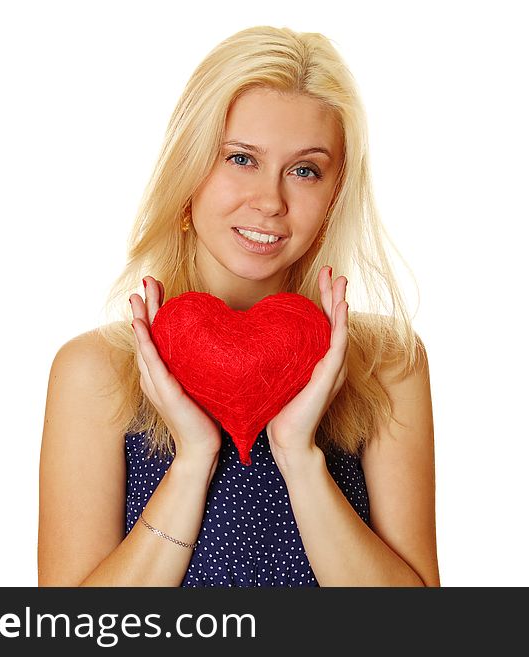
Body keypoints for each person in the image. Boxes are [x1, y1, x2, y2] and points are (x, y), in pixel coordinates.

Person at [38, 25, 439, 587]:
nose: (271, 200)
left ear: (333, 196)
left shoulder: (386, 364)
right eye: (241, 159)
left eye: (305, 170)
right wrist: (192, 460)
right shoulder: (95, 371)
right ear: (188, 174)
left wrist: (299, 458)